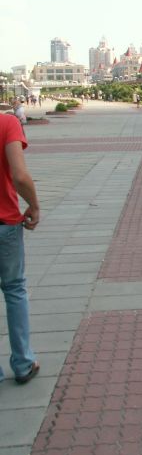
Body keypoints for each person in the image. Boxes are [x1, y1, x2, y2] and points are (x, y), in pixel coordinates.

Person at [0, 113, 40, 384]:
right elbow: (20, 176)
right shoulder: (7, 123)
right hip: (5, 223)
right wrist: (34, 205)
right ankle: (23, 363)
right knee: (14, 289)